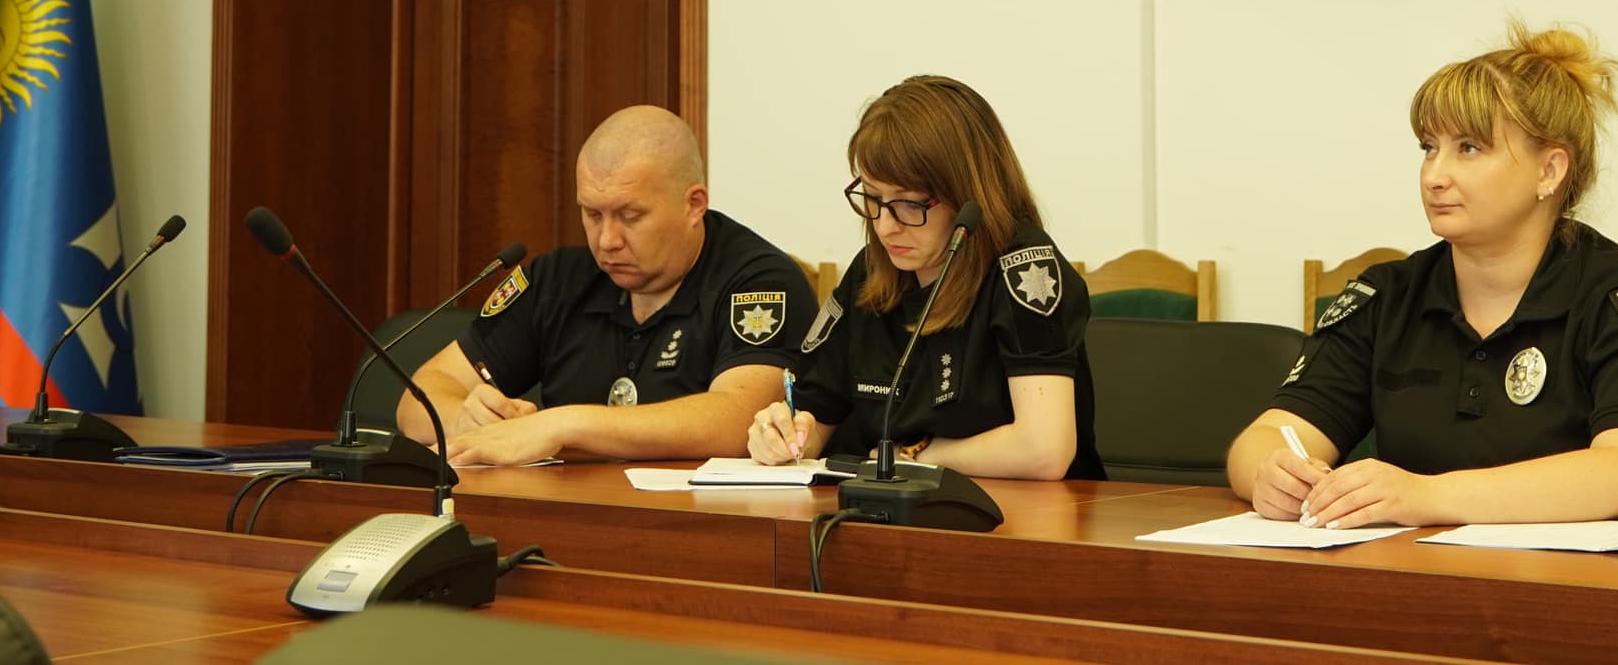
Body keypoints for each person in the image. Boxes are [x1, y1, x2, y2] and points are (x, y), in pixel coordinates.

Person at [1227, 24, 1618, 527]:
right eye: (1429, 147)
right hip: (1414, 567)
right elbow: (1268, 436)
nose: (1434, 176)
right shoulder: (1387, 294)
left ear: (1549, 171)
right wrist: (1271, 475)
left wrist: (1423, 496)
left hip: (1588, 575)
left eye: (1469, 148)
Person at [397, 105, 815, 465]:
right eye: (592, 214)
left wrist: (562, 425)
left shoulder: (759, 280)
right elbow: (417, 401)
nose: (607, 240)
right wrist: (466, 420)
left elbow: (740, 418)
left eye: (630, 216)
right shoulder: (557, 280)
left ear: (693, 205)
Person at [745, 76, 1102, 480]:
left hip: (1029, 510)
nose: (885, 227)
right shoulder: (871, 272)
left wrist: (916, 455)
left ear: (969, 195)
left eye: (910, 204)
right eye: (873, 198)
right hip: (893, 506)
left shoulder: (1024, 269)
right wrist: (782, 437)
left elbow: (1044, 452)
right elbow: (815, 420)